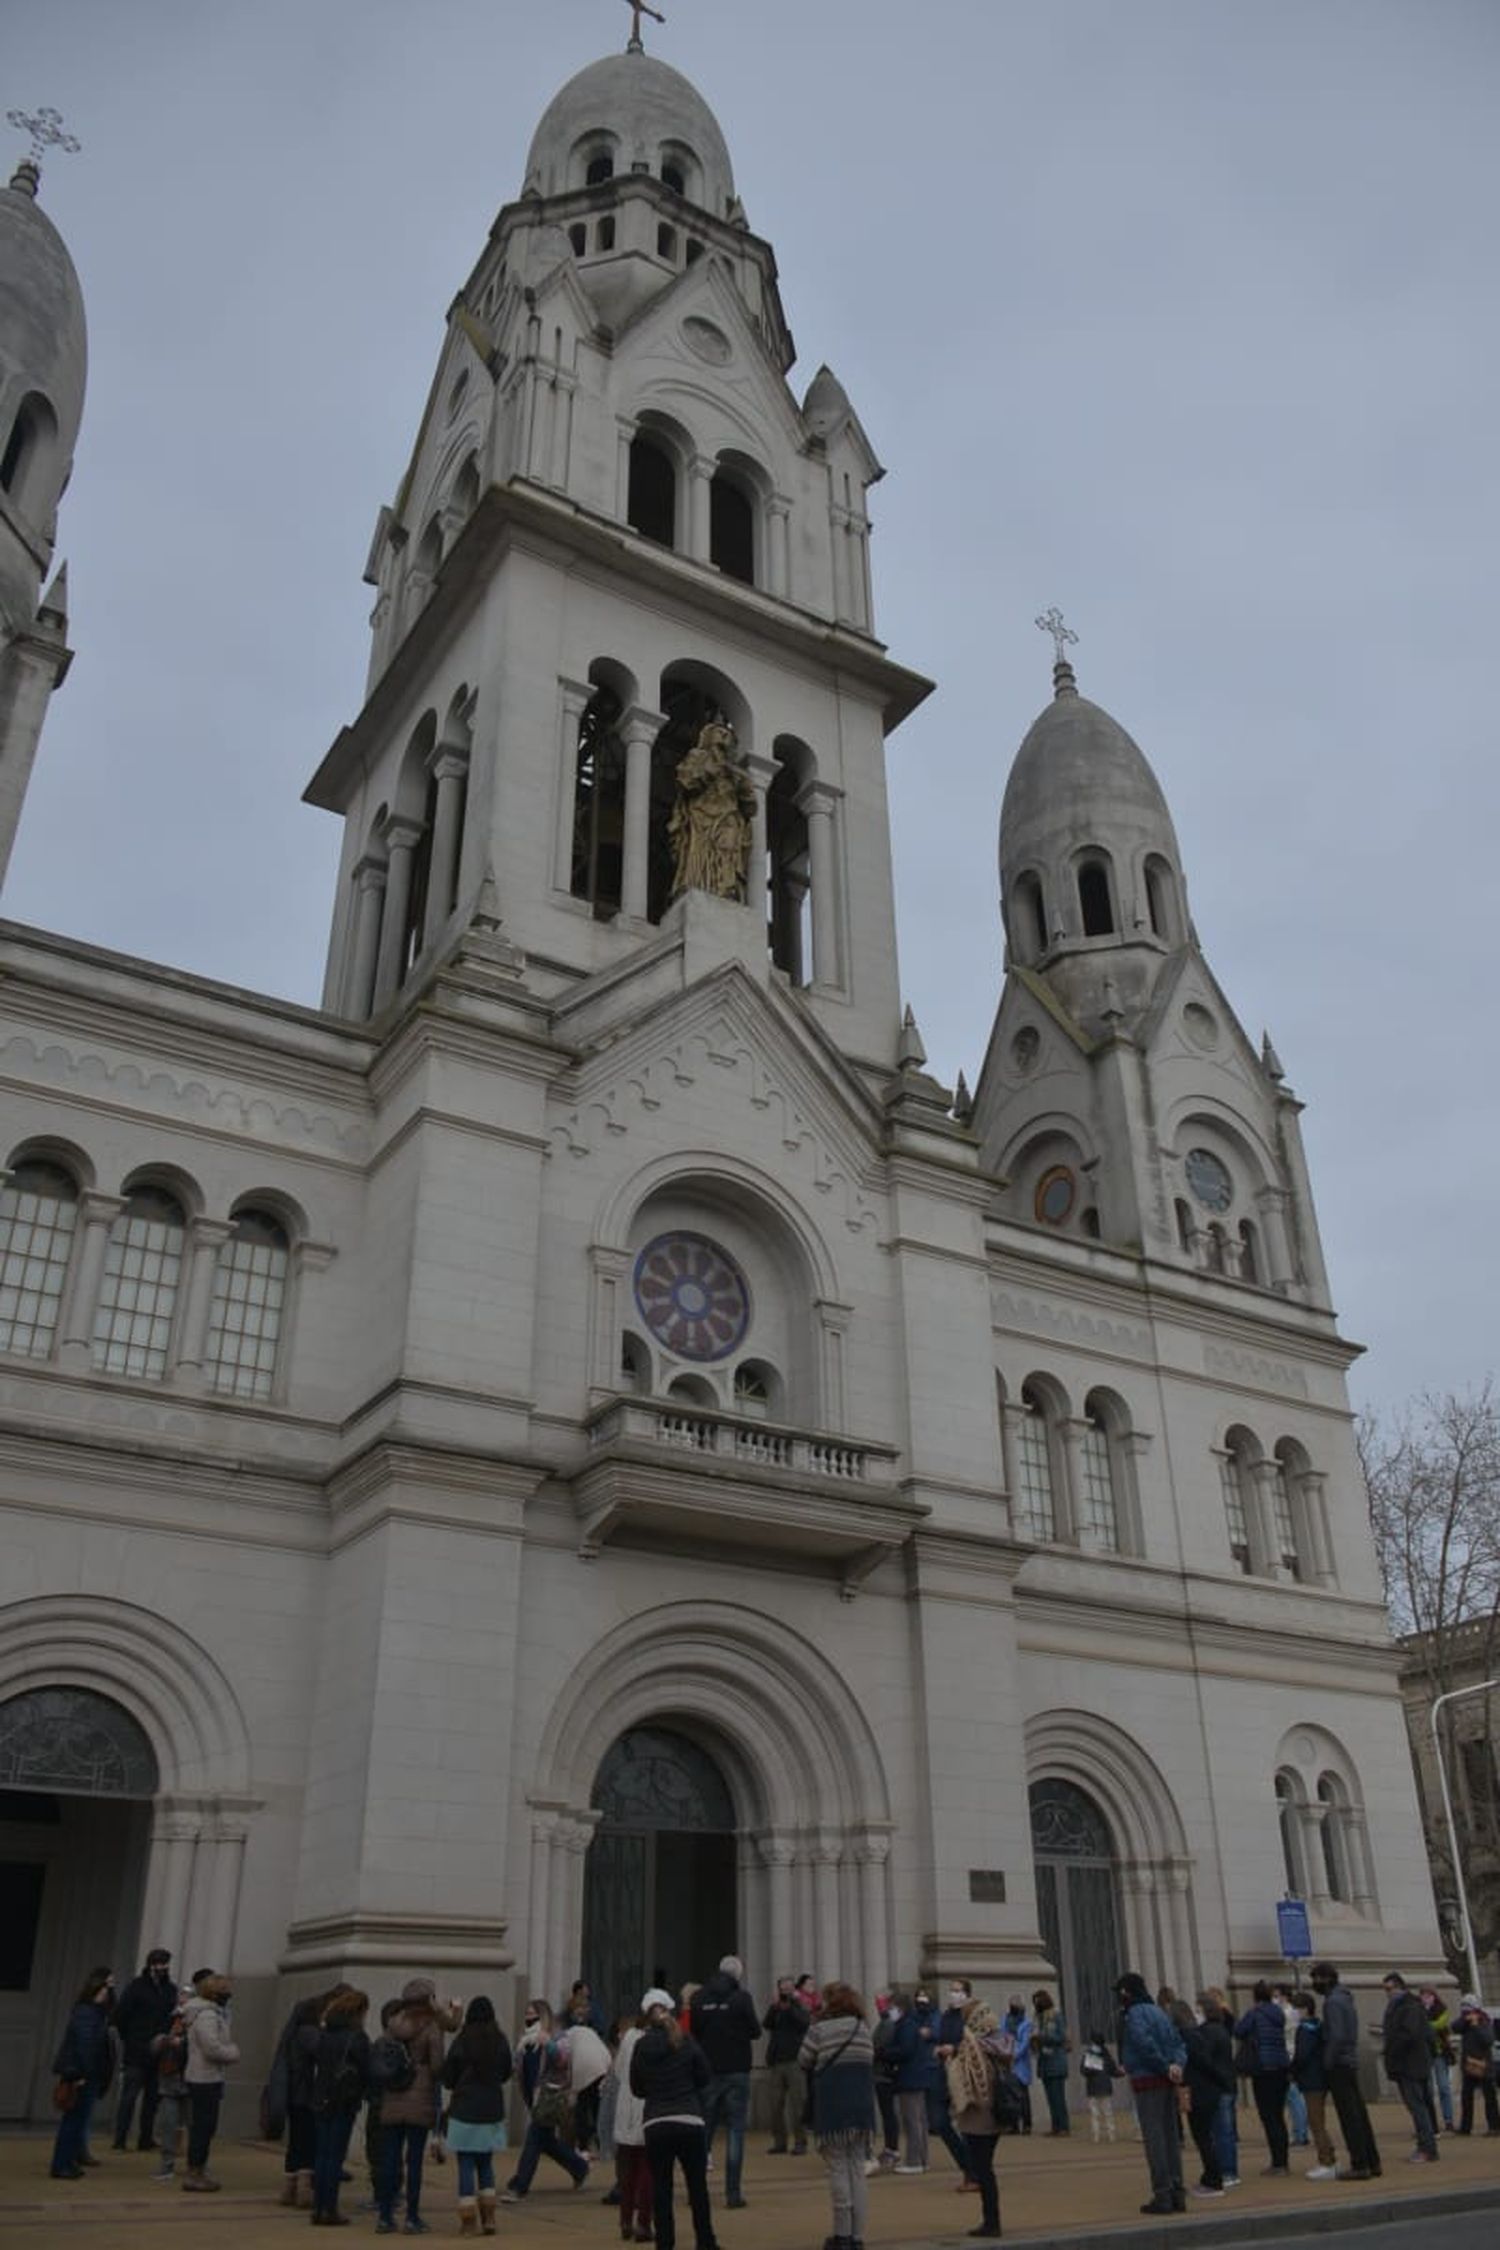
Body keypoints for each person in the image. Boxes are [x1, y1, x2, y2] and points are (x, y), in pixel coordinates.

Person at [375, 1976, 463, 2234]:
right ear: (428, 2000)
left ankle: (384, 2215)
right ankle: (412, 2217)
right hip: (419, 2100)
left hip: (392, 2098)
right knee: (413, 2161)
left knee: (389, 2160)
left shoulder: (393, 2024)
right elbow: (437, 2066)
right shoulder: (431, 2027)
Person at [631, 1987, 716, 2250]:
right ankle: (705, 2241)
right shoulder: (686, 2040)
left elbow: (637, 2088)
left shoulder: (641, 2045)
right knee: (697, 2187)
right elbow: (704, 2076)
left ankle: (665, 2243)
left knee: (661, 2188)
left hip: (656, 2121)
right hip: (689, 2117)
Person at [800, 1979, 878, 2250]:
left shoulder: (819, 2028)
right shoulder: (863, 2028)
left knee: (837, 2169)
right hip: (862, 2108)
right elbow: (870, 2060)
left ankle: (841, 2234)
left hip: (833, 2107)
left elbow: (804, 2060)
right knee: (857, 2169)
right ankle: (857, 2236)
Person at [689, 1954, 759, 2208]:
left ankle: (696, 2190)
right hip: (737, 2069)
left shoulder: (699, 1998)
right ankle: (732, 2193)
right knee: (735, 2130)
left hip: (709, 2070)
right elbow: (755, 2030)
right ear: (738, 1975)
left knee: (703, 2130)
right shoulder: (742, 1999)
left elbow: (695, 2031)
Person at [441, 1995, 513, 2238]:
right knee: (485, 2163)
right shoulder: (500, 2040)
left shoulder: (462, 2040)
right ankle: (490, 2218)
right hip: (491, 2109)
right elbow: (505, 2073)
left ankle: (468, 2221)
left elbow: (448, 2076)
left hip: (464, 2109)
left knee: (465, 2164)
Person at [503, 2000, 591, 2198]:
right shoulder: (525, 2042)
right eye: (526, 2013)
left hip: (550, 2098)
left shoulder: (557, 2036)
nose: (528, 2017)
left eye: (533, 2013)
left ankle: (520, 2185)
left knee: (533, 2139)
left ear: (543, 2016)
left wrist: (548, 2043)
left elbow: (562, 2059)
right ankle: (579, 2167)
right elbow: (519, 2068)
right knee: (546, 2141)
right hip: (534, 2099)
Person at [1115, 1970, 1186, 2216]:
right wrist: (1176, 2066)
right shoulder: (1159, 2012)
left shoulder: (1134, 2014)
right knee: (1170, 2137)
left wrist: (1164, 2066)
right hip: (1166, 2080)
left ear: (1126, 1992)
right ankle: (1178, 2192)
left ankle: (1163, 2194)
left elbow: (1143, 2043)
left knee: (1155, 2139)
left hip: (1148, 2079)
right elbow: (1178, 2041)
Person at [1307, 1961, 1381, 2180]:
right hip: (1348, 2061)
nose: (1314, 1983)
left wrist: (1327, 2061)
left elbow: (1337, 2036)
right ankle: (1372, 2161)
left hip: (1339, 2064)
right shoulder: (1345, 1999)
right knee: (1358, 2113)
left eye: (1316, 1979)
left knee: (1350, 2117)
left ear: (1326, 1978)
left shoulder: (1333, 2002)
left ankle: (1360, 2164)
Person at [945, 2000, 1007, 2240]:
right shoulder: (999, 2039)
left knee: (983, 2171)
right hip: (996, 2114)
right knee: (986, 2169)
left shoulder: (972, 2044)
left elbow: (963, 2082)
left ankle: (992, 2222)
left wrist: (950, 2061)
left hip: (978, 2116)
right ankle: (991, 2220)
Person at [311, 1986, 371, 2225]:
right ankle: (329, 2208)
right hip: (343, 2100)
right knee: (335, 2156)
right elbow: (366, 2070)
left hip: (321, 2096)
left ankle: (318, 2207)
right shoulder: (357, 2038)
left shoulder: (324, 2034)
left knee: (322, 2154)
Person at [49, 1967, 115, 2181]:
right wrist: (83, 2073)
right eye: (109, 1985)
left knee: (78, 2120)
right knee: (73, 2120)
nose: (111, 1989)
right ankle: (62, 2164)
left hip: (88, 2072)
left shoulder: (95, 2011)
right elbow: (85, 2045)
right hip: (81, 2073)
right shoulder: (87, 2012)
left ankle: (69, 2161)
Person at [111, 1947, 176, 2152]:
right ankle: (120, 2139)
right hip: (136, 2050)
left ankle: (145, 2138)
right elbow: (121, 2015)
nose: (162, 1967)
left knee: (152, 2099)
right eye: (158, 1963)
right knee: (129, 2096)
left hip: (158, 2050)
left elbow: (171, 2016)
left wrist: (164, 2036)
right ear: (150, 1965)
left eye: (165, 1963)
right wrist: (131, 2038)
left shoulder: (170, 1989)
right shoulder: (137, 1987)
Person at [181, 1970, 240, 2193]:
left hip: (206, 2075)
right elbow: (211, 2047)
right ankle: (194, 2172)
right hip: (204, 2076)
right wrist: (233, 2052)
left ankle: (198, 2169)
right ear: (215, 1993)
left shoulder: (212, 2013)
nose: (229, 1995)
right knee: (203, 2127)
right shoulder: (206, 2015)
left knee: (205, 2126)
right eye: (226, 1991)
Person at [1168, 1998, 1232, 2198]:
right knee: (1205, 2136)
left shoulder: (1189, 2037)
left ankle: (1214, 2181)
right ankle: (1211, 2177)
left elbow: (1203, 2063)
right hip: (1207, 2090)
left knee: (1203, 2137)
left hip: (1202, 2091)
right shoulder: (1197, 2034)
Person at [1233, 1980, 1290, 2175]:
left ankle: (1277, 2163)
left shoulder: (1255, 2013)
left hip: (1263, 2068)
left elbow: (1239, 2031)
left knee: (1268, 2116)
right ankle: (1283, 2160)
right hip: (1281, 2066)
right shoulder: (1278, 2013)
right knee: (1278, 2115)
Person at [1380, 1971, 1438, 2161]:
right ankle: (1427, 2145)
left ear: (1399, 1987)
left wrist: (1392, 2050)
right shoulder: (1408, 2006)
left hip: (1410, 2063)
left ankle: (1426, 2148)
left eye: (1389, 1989)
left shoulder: (1408, 2007)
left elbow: (1409, 2034)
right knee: (1419, 2106)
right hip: (1414, 2062)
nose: (1387, 1993)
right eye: (1385, 1990)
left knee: (1418, 2107)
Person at [278, 1992, 327, 2207]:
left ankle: (289, 2187)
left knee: (296, 2142)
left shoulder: (293, 2033)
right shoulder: (310, 2033)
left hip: (294, 2094)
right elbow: (322, 2054)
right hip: (305, 2095)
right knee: (307, 2141)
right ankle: (304, 2190)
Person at [611, 2007, 654, 2243]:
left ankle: (625, 2221)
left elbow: (618, 2071)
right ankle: (643, 2223)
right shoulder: (654, 2041)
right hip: (647, 2110)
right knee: (648, 2170)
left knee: (627, 2172)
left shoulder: (628, 2038)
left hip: (626, 2111)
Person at [889, 1984, 941, 2172]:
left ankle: (914, 2161)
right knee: (918, 2119)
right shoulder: (911, 2024)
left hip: (910, 2077)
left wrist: (886, 2053)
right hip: (916, 2075)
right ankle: (921, 2159)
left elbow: (905, 2050)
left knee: (913, 2120)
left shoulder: (906, 2025)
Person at [1289, 1991, 1337, 2177]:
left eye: (1295, 2008)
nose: (1292, 2012)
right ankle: (1328, 2156)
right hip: (1319, 2078)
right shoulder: (1317, 2025)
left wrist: (1292, 2070)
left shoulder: (1306, 2029)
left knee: (1316, 2122)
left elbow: (1302, 2055)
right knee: (1317, 2120)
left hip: (1312, 2079)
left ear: (1304, 2009)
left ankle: (1326, 2161)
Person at [762, 1976, 810, 2155]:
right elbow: (766, 2024)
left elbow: (804, 2023)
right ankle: (779, 2141)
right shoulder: (776, 2008)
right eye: (783, 1989)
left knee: (798, 2104)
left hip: (795, 2061)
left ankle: (800, 2142)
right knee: (775, 2105)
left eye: (789, 1988)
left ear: (794, 1989)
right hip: (776, 2061)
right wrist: (775, 2008)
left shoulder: (799, 2005)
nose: (786, 1992)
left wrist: (790, 2007)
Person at [149, 1986, 191, 2184]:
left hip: (191, 2080)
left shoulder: (197, 2020)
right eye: (181, 1995)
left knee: (194, 2125)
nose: (183, 1999)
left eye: (187, 1996)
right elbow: (153, 2044)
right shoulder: (167, 2018)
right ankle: (166, 2165)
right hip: (169, 2079)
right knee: (168, 2124)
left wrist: (182, 2044)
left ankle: (197, 2165)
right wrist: (166, 2040)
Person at [1197, 1989, 1239, 2186]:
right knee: (1225, 2132)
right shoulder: (1221, 2028)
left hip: (1218, 2086)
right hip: (1226, 2084)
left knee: (1222, 2132)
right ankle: (1229, 2170)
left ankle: (1228, 2171)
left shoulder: (1209, 2032)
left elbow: (1205, 2060)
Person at [1454, 1995, 1500, 2135]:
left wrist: (1476, 2026)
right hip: (1469, 2065)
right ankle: (1465, 2127)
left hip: (1483, 2065)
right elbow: (1455, 2027)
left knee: (1489, 2097)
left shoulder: (1484, 2020)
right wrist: (1465, 2020)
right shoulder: (1464, 2022)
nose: (1467, 2013)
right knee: (1466, 2097)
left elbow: (1488, 2040)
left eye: (1469, 2010)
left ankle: (1494, 2127)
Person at [1032, 1988, 1071, 2135]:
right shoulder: (1038, 2018)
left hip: (1056, 2061)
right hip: (1044, 2062)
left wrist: (1041, 2036)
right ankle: (1056, 2127)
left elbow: (1061, 2037)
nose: (1037, 2005)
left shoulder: (1056, 2015)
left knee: (1058, 2097)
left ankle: (1063, 2127)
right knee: (1050, 2098)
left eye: (1038, 2001)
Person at [1420, 1987, 1454, 2132]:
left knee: (1444, 2087)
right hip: (1424, 2053)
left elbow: (1440, 2024)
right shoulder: (1418, 2010)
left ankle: (1448, 2119)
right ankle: (1429, 2122)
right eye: (1423, 1995)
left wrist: (1426, 2025)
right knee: (1427, 2089)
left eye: (1428, 1995)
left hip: (1440, 2052)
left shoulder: (1442, 2009)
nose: (1425, 1998)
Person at [1079, 2029, 1122, 2143]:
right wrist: (1122, 2072)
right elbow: (1114, 2071)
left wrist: (1091, 2070)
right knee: (1108, 2112)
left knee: (1095, 2113)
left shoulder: (1088, 2054)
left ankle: (1096, 2135)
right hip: (1106, 2087)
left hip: (1092, 2087)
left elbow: (1083, 2070)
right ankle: (1111, 2134)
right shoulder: (1106, 2054)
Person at [999, 1997, 1033, 2134]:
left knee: (1023, 2095)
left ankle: (1027, 2124)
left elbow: (1025, 2043)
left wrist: (1014, 2055)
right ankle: (1013, 2125)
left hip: (1020, 2064)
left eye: (1016, 2005)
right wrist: (1004, 2054)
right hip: (1007, 2062)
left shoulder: (1026, 2023)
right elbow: (1001, 2037)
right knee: (1009, 2095)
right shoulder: (1004, 2021)